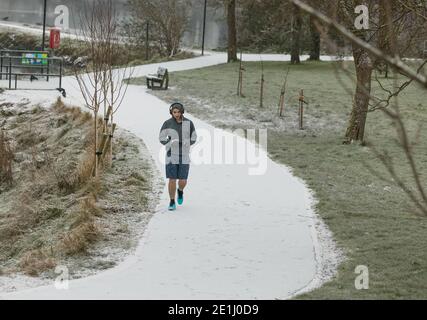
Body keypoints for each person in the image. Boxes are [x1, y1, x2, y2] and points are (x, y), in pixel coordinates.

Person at [159, 102, 197, 211]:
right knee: (172, 179)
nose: (176, 114)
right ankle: (171, 201)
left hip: (184, 155)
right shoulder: (167, 123)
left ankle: (180, 190)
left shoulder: (189, 123)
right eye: (174, 112)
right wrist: (169, 142)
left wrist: (189, 142)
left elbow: (194, 136)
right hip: (171, 154)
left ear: (182, 112)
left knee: (182, 180)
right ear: (171, 112)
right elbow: (161, 137)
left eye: (178, 112)